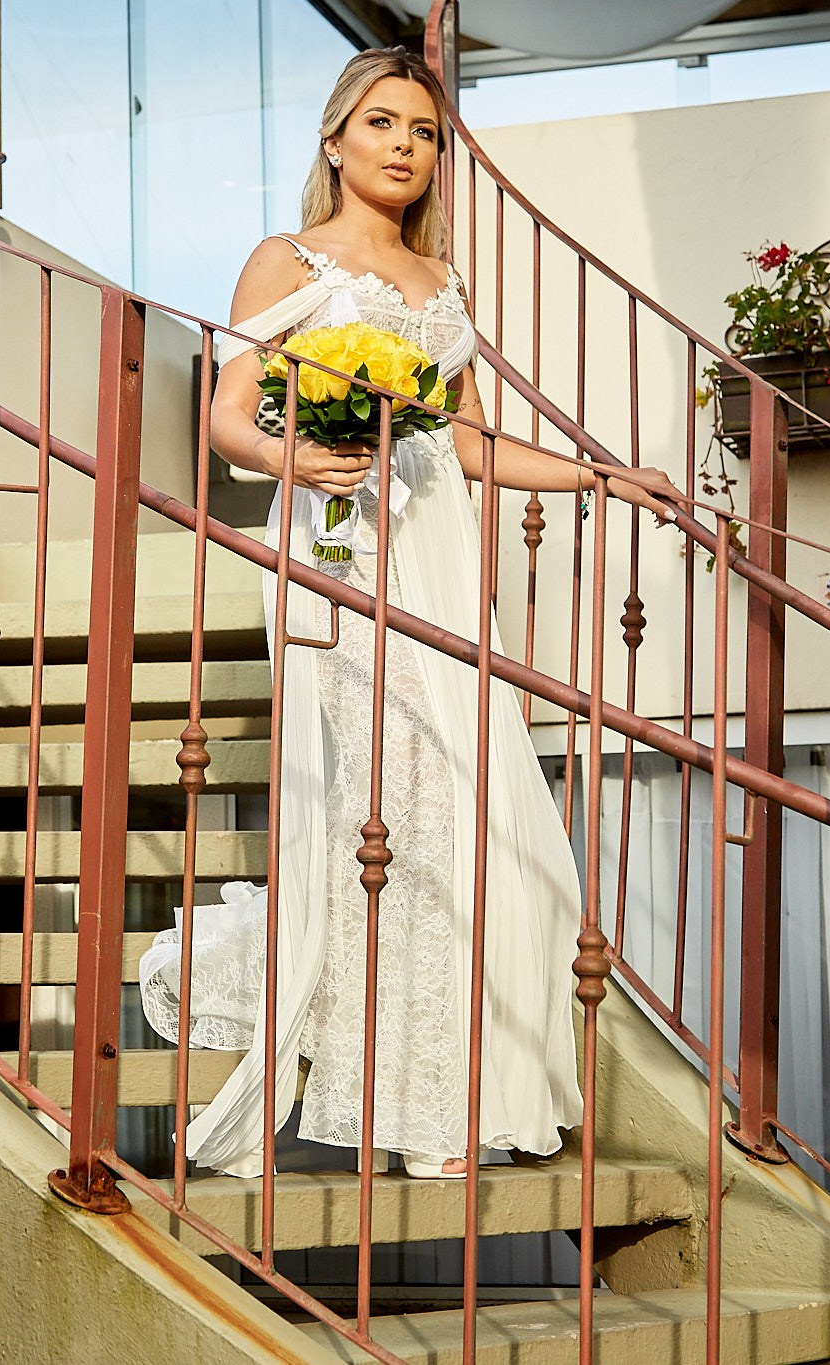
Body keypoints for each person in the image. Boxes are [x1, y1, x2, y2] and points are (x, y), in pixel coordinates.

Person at [137, 46, 677, 1181]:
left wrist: (599, 477)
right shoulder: (281, 259)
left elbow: (468, 441)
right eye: (381, 123)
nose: (403, 145)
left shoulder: (444, 288)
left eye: (423, 131)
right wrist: (307, 458)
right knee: (377, 810)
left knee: (467, 818)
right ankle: (387, 1098)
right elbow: (232, 417)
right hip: (337, 544)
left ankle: (447, 1105)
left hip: (436, 556)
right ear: (334, 139)